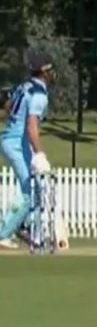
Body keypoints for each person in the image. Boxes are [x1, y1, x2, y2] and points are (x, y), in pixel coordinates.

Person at [0, 51, 55, 249]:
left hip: (12, 140)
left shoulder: (24, 86)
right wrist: (39, 153)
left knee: (33, 189)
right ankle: (3, 233)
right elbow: (32, 124)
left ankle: (22, 225)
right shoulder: (39, 94)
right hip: (16, 143)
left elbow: (8, 106)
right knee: (29, 191)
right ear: (45, 72)